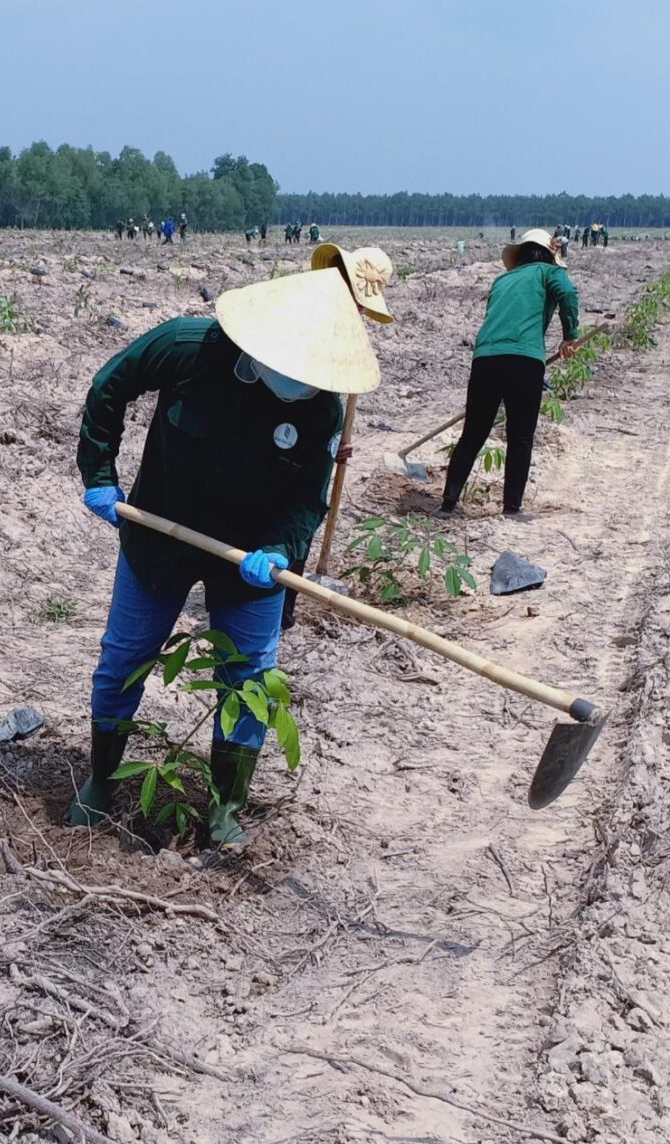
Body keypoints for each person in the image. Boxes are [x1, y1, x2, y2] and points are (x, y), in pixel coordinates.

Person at [72, 268, 380, 848]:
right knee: (124, 656)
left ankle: (225, 805)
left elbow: (309, 498)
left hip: (251, 555)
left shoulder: (322, 409)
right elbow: (110, 385)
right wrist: (100, 473)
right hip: (160, 530)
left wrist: (282, 550)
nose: (300, 384)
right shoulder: (189, 347)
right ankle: (103, 778)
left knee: (249, 677)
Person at [281, 244, 395, 628]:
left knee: (304, 510)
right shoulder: (309, 311)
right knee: (294, 506)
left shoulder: (341, 316)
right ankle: (277, 605)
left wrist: (331, 446)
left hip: (311, 428)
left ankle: (285, 606)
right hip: (286, 419)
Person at [437, 228, 579, 520]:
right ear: (549, 254)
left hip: (485, 359)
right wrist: (570, 336)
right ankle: (512, 508)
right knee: (521, 436)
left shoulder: (502, 280)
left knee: (472, 434)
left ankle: (447, 505)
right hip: (524, 360)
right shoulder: (549, 273)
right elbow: (567, 292)